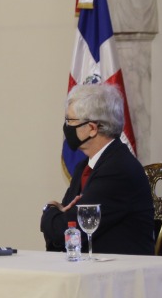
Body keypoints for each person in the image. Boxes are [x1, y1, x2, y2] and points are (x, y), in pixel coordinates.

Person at [40, 82, 155, 256]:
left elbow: (67, 229)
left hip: (120, 269)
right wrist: (59, 218)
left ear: (92, 128)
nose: (66, 127)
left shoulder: (118, 169)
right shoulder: (84, 167)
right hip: (90, 265)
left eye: (70, 121)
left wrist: (49, 209)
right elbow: (62, 234)